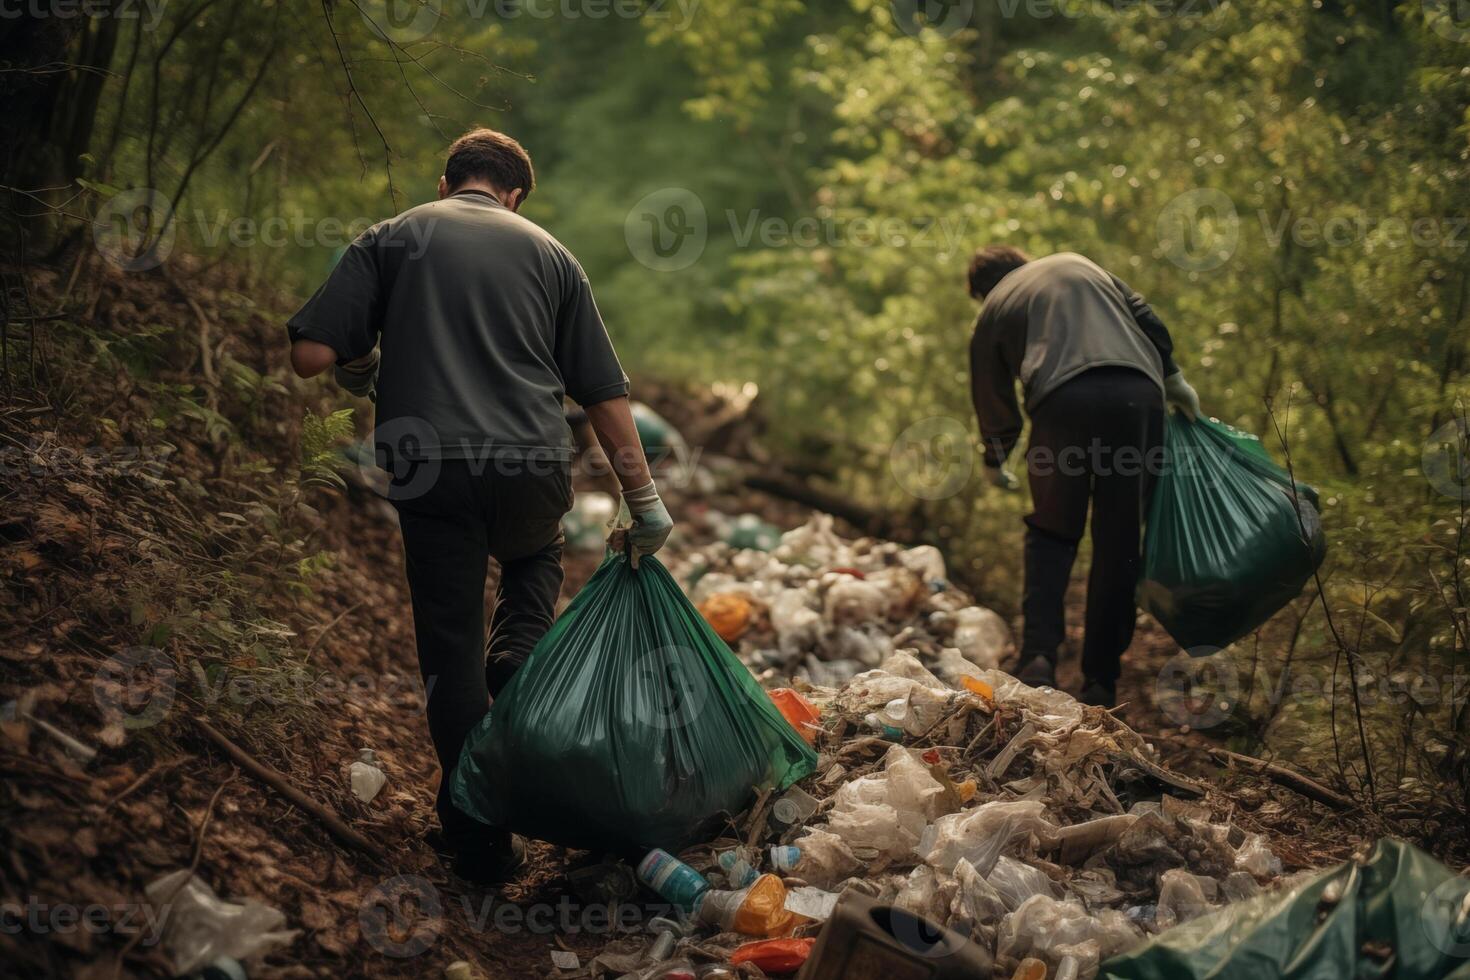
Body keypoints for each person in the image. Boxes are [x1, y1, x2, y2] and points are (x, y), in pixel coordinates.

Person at [286, 128, 673, 882]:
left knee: (448, 648)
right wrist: (644, 498)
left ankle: (478, 839)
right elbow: (602, 393)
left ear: (445, 183)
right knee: (534, 555)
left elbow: (312, 356)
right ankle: (520, 658)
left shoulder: (392, 237)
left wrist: (362, 358)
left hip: (430, 470)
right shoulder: (553, 255)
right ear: (515, 195)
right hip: (529, 463)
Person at [966, 247, 1202, 707]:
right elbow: (1147, 319)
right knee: (1119, 543)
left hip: (1063, 406)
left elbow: (991, 392)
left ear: (982, 290)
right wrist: (1173, 379)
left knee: (1052, 532)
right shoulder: (1081, 265)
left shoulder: (995, 306)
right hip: (1138, 398)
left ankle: (1038, 660)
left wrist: (996, 459)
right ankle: (1101, 682)